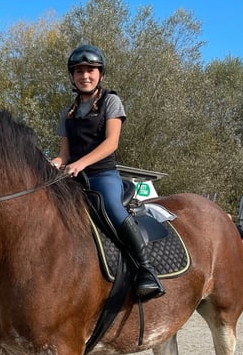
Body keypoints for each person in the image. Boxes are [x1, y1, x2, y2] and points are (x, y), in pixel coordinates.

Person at [51, 44, 165, 300]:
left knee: (113, 209)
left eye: (90, 70)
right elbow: (65, 153)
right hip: (74, 179)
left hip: (103, 176)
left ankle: (146, 270)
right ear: (72, 76)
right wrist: (56, 162)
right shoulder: (67, 112)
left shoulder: (111, 102)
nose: (85, 76)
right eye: (79, 71)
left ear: (100, 74)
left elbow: (111, 143)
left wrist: (82, 163)